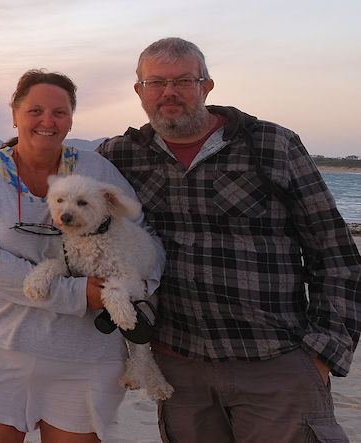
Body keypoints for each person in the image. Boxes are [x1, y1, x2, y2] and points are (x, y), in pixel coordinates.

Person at [94, 37, 361, 443]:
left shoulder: (271, 144)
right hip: (179, 370)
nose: (169, 92)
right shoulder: (120, 156)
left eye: (183, 80)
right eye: (156, 82)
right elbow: (49, 170)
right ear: (139, 91)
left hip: (275, 361)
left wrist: (323, 354)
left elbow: (335, 253)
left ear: (207, 86)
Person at [0, 68, 165, 442]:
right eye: (35, 110)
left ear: (70, 119)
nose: (47, 121)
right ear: (14, 113)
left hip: (84, 354)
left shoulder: (96, 169)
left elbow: (141, 231)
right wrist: (78, 294)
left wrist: (140, 285)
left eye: (59, 112)